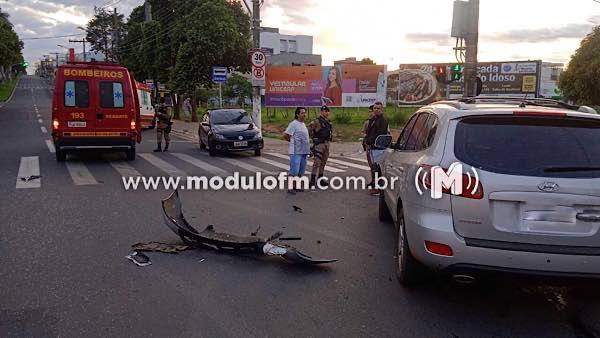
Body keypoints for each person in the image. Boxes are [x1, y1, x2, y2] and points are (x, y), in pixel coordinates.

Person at [363, 101, 389, 195]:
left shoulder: (383, 120)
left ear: (382, 109)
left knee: (377, 169)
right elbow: (368, 132)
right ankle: (375, 185)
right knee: (374, 168)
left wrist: (369, 140)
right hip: (372, 147)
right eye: (375, 108)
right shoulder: (373, 119)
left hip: (378, 148)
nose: (376, 110)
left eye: (378, 108)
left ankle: (378, 188)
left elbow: (379, 134)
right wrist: (366, 141)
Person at [283, 107, 310, 194]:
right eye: (302, 113)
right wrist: (292, 142)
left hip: (304, 152)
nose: (304, 114)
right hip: (295, 152)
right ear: (297, 114)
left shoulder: (303, 124)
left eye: (305, 113)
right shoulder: (293, 124)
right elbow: (286, 135)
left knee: (301, 171)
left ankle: (296, 186)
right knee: (294, 170)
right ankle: (290, 188)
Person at [308, 105, 333, 187]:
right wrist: (313, 139)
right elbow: (310, 130)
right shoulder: (317, 121)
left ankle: (320, 179)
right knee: (317, 162)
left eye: (327, 111)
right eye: (324, 111)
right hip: (319, 144)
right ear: (321, 112)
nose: (326, 113)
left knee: (323, 162)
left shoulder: (328, 122)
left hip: (326, 143)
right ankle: (312, 180)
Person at [361, 105, 375, 183]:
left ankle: (376, 181)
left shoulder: (381, 122)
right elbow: (363, 132)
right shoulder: (367, 122)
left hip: (377, 147)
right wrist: (366, 136)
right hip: (369, 146)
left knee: (376, 165)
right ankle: (373, 180)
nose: (370, 113)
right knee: (370, 164)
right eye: (369, 112)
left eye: (371, 111)